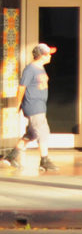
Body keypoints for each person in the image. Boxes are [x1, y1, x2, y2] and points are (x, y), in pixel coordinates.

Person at [3, 43, 59, 172]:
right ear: (41, 55)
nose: (50, 56)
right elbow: (22, 87)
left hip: (40, 105)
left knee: (32, 134)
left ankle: (11, 157)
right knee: (43, 131)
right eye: (48, 54)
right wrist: (18, 104)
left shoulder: (40, 68)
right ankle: (44, 161)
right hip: (33, 105)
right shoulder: (30, 69)